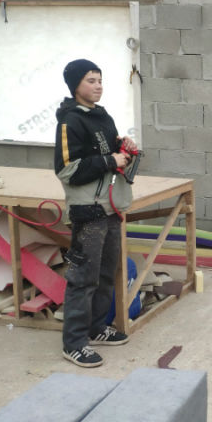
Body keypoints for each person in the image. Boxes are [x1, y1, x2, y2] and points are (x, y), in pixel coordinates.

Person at [54, 59, 137, 367]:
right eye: (91, 80)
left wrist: (123, 146)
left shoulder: (102, 116)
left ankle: (96, 327)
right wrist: (110, 161)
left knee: (105, 274)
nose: (98, 86)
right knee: (83, 278)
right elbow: (67, 169)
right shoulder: (70, 121)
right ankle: (74, 343)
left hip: (110, 207)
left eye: (100, 80)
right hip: (88, 211)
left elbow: (107, 150)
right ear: (75, 85)